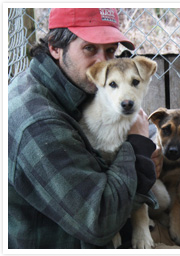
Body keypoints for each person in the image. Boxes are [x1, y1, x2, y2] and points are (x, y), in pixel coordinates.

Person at [8, 8, 162, 249]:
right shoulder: (37, 124)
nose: (104, 61)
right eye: (90, 48)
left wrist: (144, 146)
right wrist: (139, 153)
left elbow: (137, 123)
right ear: (55, 48)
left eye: (110, 50)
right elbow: (99, 221)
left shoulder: (75, 86)